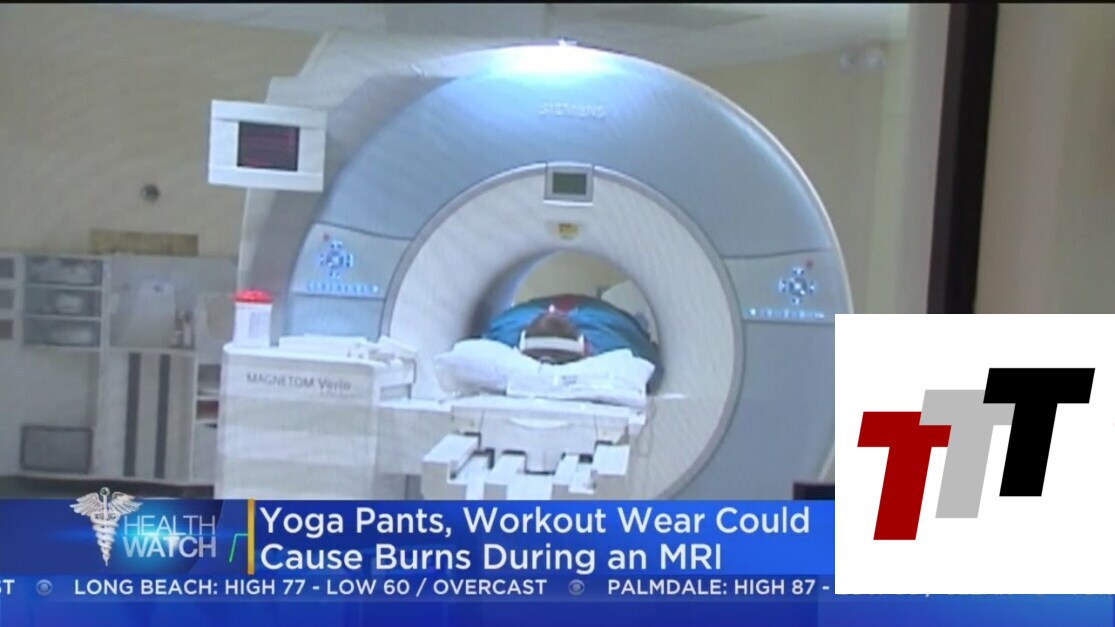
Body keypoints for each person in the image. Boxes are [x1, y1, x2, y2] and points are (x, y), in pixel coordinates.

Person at [482, 293, 663, 389]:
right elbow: (652, 369)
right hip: (600, 316)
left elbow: (653, 368)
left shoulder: (502, 336)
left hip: (601, 316)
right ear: (586, 349)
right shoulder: (503, 333)